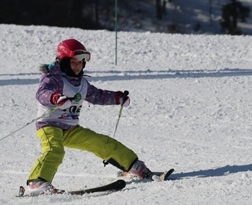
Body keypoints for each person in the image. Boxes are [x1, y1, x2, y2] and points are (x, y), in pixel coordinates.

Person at [24, 38, 154, 196]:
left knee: (102, 143)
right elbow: (42, 93)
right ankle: (37, 182)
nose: (78, 67)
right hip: (49, 125)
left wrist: (117, 97)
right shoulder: (53, 78)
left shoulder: (82, 83)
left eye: (80, 63)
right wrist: (56, 98)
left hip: (71, 128)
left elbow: (97, 96)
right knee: (54, 150)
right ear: (64, 62)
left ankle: (133, 166)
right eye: (73, 63)